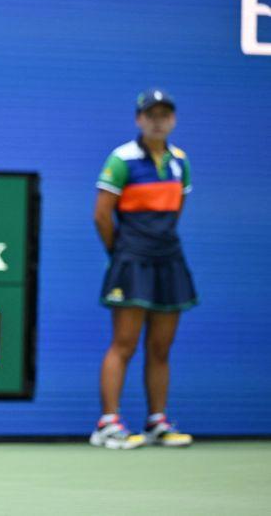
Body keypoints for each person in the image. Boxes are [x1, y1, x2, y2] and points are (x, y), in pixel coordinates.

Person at [90, 89, 197, 450]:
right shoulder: (122, 159)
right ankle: (108, 424)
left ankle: (157, 421)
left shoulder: (180, 162)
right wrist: (122, 253)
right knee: (124, 344)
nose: (158, 120)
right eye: (151, 114)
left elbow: (176, 210)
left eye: (165, 113)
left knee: (161, 347)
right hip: (131, 260)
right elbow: (102, 215)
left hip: (169, 259)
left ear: (173, 120)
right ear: (139, 119)